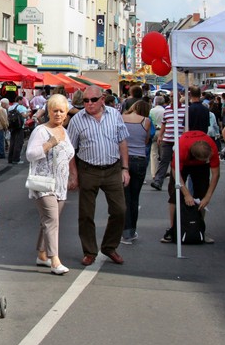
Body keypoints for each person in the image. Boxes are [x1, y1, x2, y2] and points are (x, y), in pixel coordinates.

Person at [66, 85, 129, 266]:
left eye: (93, 100)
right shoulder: (77, 120)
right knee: (86, 214)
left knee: (119, 210)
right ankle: (89, 251)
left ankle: (109, 246)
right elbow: (70, 150)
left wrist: (125, 168)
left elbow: (122, 141)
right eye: (85, 100)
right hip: (88, 169)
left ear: (102, 99)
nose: (89, 103)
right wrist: (74, 174)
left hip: (112, 169)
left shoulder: (114, 115)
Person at [26, 94, 76, 275]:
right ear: (48, 111)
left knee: (48, 221)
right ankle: (55, 260)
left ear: (66, 113)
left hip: (60, 184)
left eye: (61, 111)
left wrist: (72, 176)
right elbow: (30, 155)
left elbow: (69, 155)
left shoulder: (64, 131)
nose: (58, 114)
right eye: (54, 111)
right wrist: (48, 144)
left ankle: (42, 255)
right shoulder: (41, 131)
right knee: (51, 220)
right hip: (44, 183)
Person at [160, 129, 220, 244]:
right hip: (182, 164)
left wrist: (207, 197)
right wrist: (187, 194)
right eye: (204, 160)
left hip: (200, 167)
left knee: (202, 192)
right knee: (174, 194)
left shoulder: (211, 148)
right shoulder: (181, 150)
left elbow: (216, 174)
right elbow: (176, 172)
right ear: (195, 157)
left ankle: (200, 228)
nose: (207, 160)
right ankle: (173, 229)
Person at [121, 100, 152, 244]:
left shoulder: (121, 118)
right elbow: (146, 140)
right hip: (139, 159)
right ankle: (131, 231)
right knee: (134, 198)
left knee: (124, 197)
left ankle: (125, 231)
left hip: (124, 159)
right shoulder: (146, 121)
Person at [150, 98, 186, 191]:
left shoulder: (185, 109)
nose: (172, 98)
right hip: (168, 139)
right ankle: (158, 181)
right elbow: (164, 123)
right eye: (171, 96)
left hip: (180, 140)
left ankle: (179, 182)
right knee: (164, 160)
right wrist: (160, 136)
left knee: (179, 162)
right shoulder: (167, 109)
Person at [7, 96, 28, 164]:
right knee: (18, 143)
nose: (23, 102)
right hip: (19, 126)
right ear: (19, 100)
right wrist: (28, 114)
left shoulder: (11, 107)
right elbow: (24, 115)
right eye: (22, 100)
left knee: (12, 142)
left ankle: (10, 158)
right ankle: (16, 159)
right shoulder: (21, 107)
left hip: (12, 127)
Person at [148, 95, 166, 180]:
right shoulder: (165, 110)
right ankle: (162, 171)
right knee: (163, 153)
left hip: (154, 131)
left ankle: (154, 173)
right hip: (163, 132)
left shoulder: (151, 110)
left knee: (153, 153)